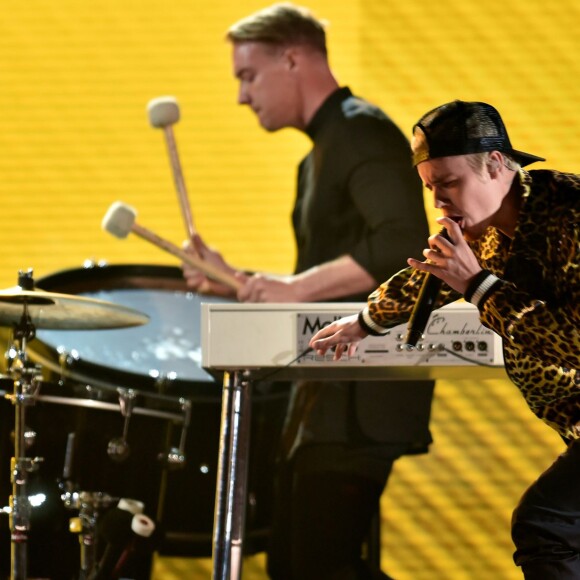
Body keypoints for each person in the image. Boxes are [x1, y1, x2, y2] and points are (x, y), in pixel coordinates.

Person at [183, 4, 436, 579]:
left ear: (292, 58)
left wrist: (293, 286)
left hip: (361, 397)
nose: (242, 97)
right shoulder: (316, 158)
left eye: (247, 76)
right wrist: (235, 279)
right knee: (297, 566)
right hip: (327, 396)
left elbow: (404, 244)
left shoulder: (360, 129)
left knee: (319, 568)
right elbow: (321, 283)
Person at [309, 99, 580, 579]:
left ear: (497, 164)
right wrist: (366, 320)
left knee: (547, 525)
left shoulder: (572, 217)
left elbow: (573, 343)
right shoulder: (489, 229)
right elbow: (429, 277)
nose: (438, 203)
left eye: (449, 184)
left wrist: (479, 287)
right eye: (430, 188)